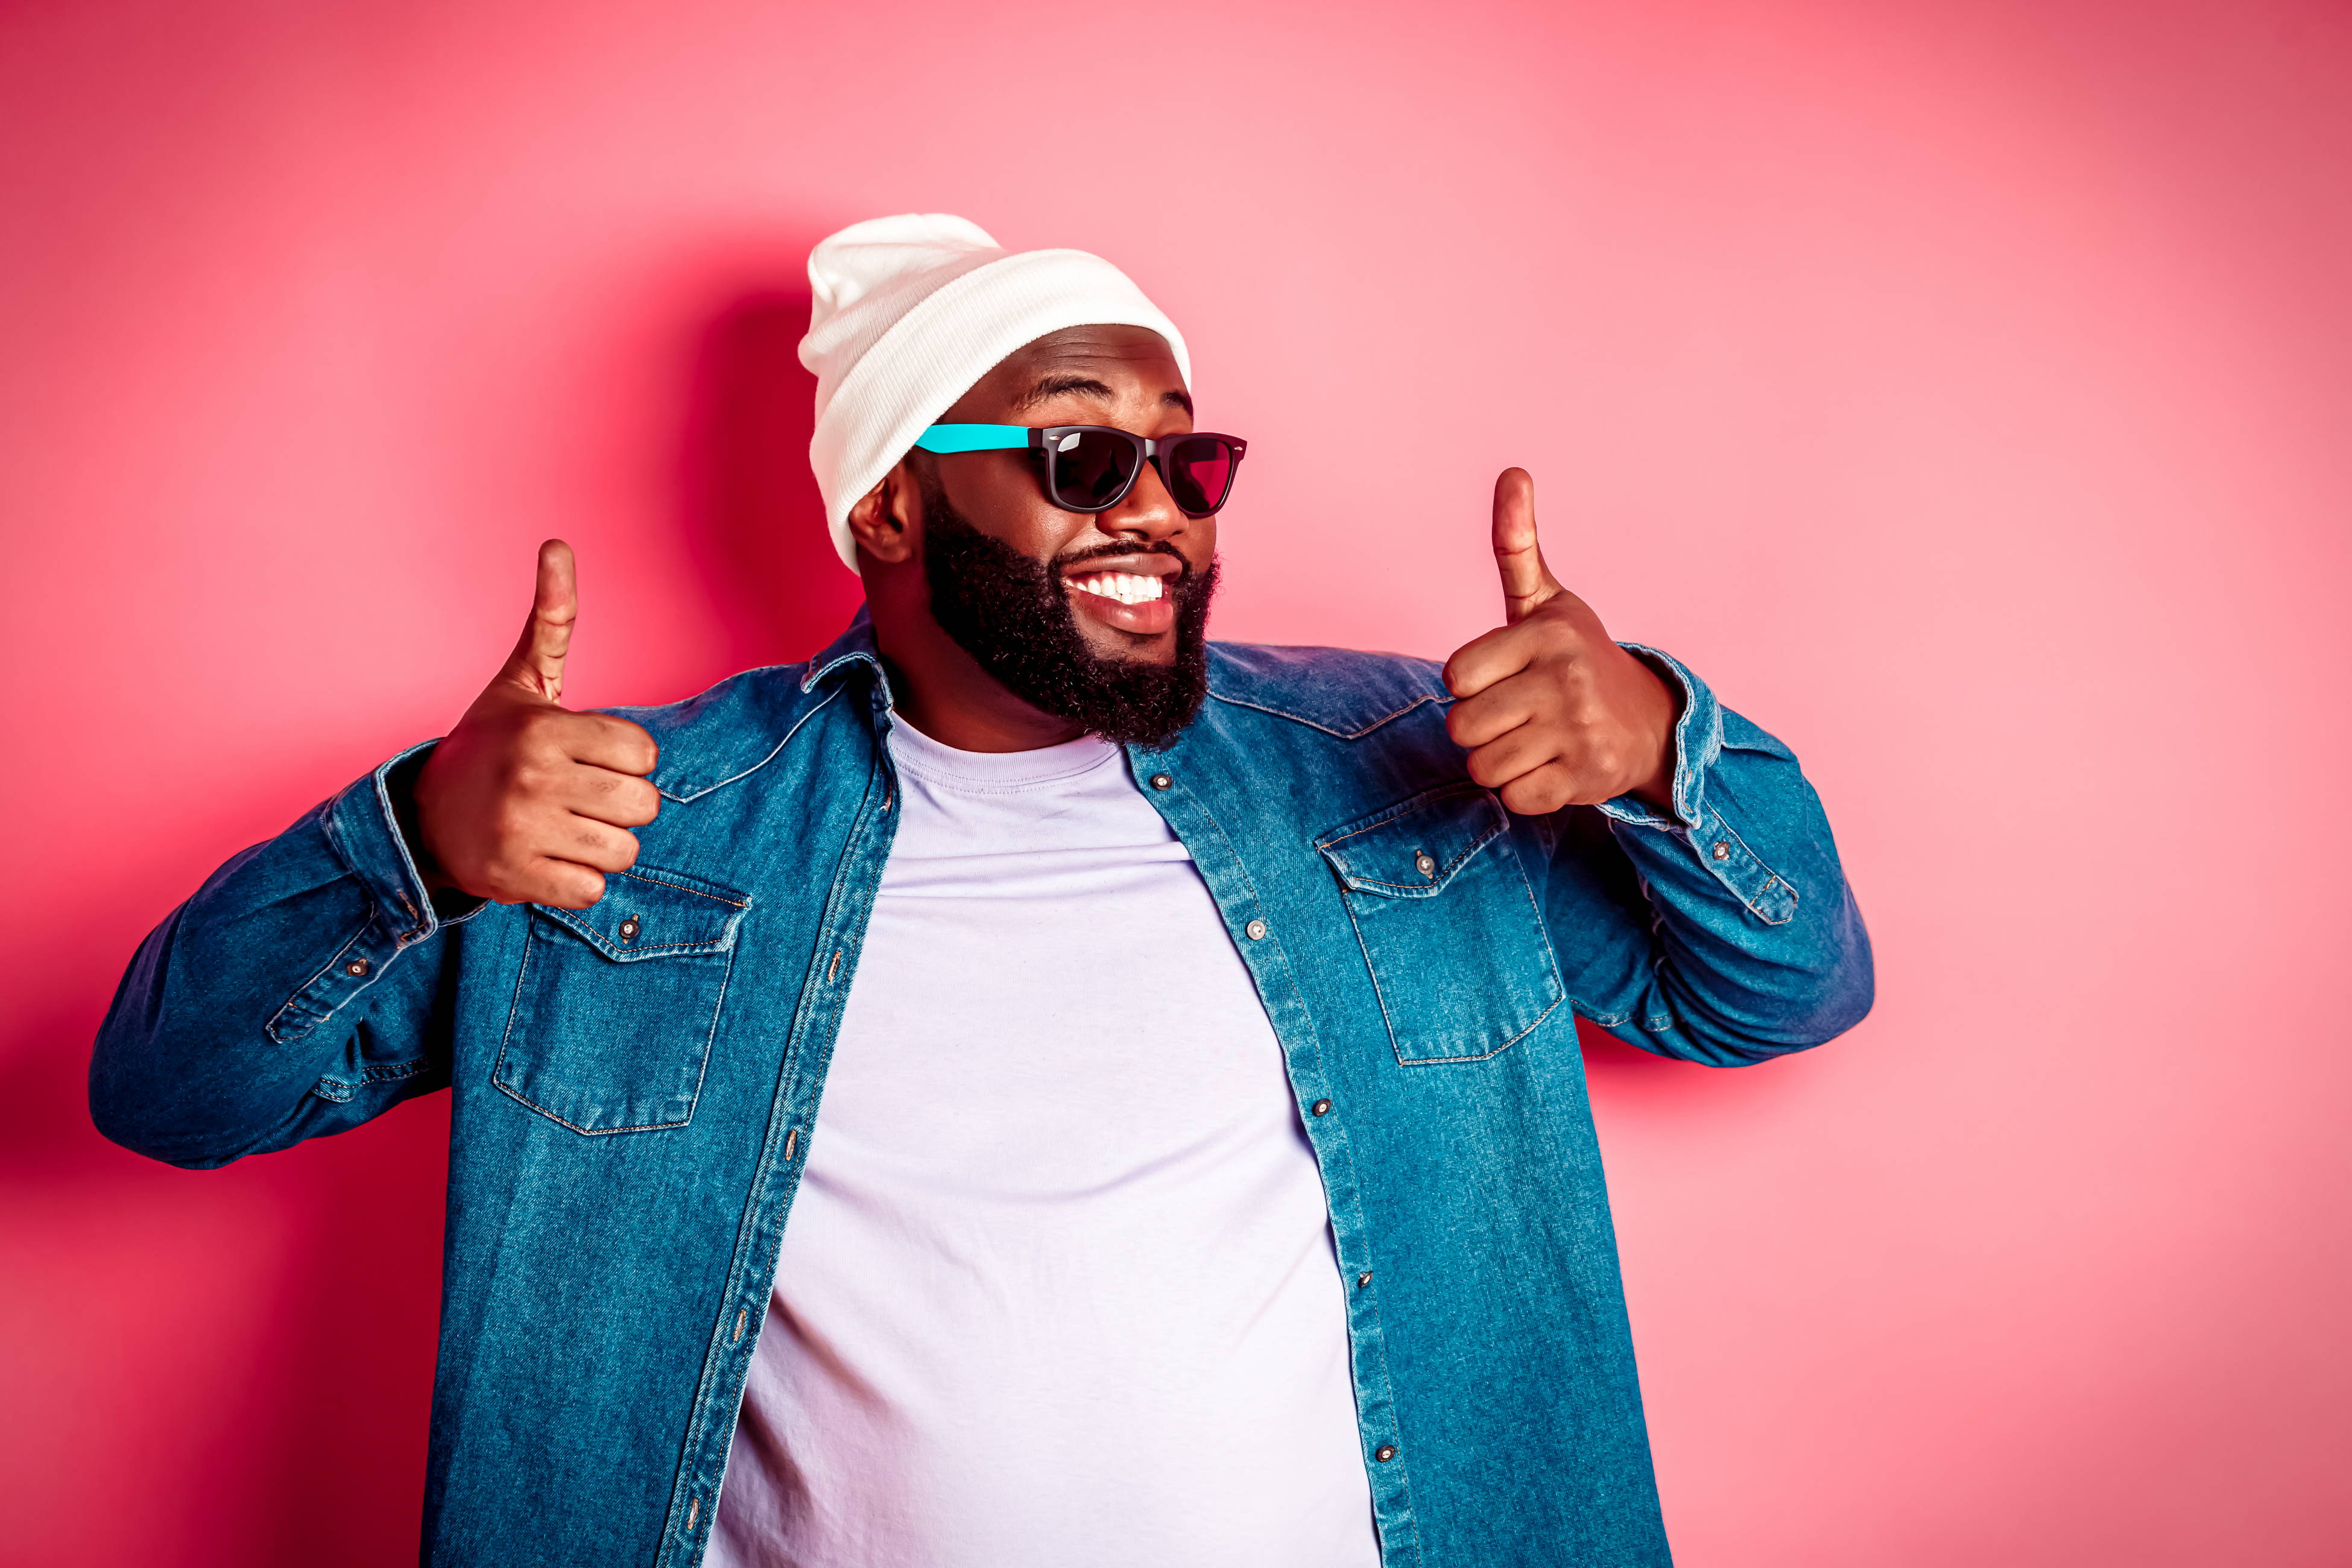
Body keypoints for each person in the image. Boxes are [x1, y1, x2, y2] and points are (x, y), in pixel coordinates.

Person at [90, 213, 1872, 1568]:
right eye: (1080, 452)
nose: (1156, 507)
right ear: (883, 512)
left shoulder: (1398, 761)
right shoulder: (635, 820)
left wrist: (1655, 744)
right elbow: (169, 1096)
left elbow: (1775, 996)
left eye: (1186, 455)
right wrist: (407, 845)